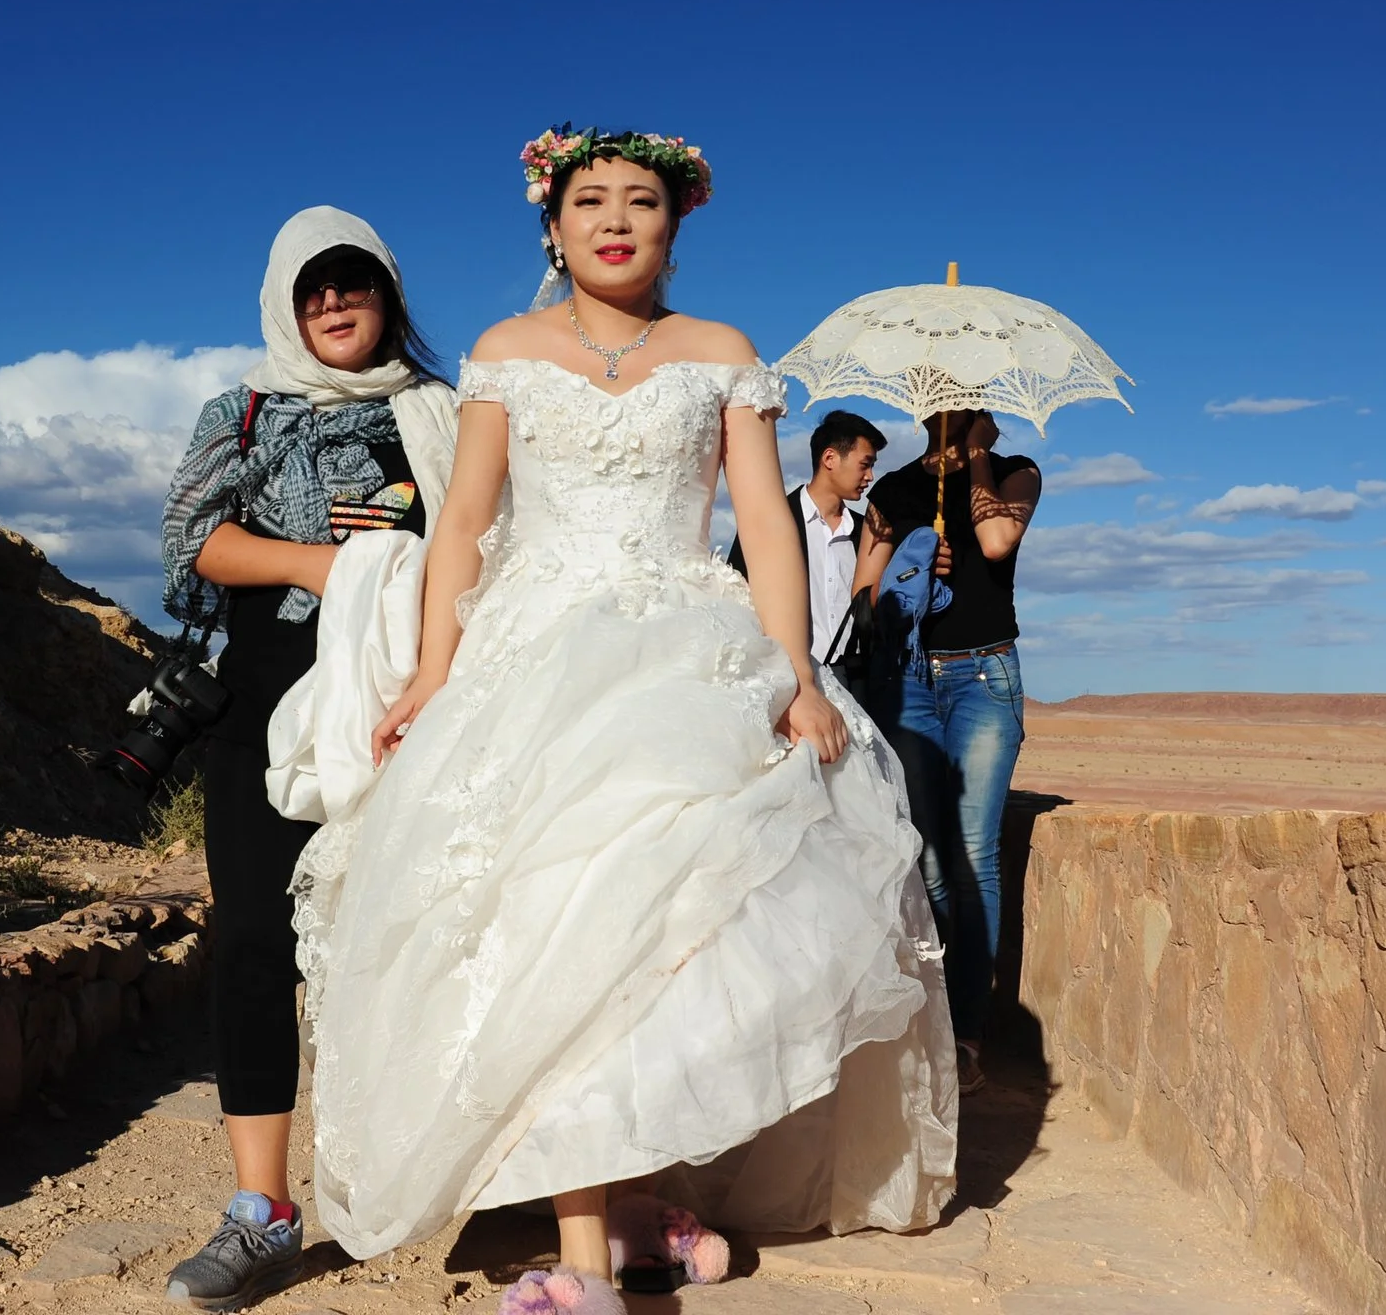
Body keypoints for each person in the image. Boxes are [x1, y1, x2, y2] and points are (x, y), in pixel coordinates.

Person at [292, 127, 957, 1311]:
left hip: (682, 649)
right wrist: (432, 669)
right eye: (588, 198)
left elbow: (760, 526)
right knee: (542, 920)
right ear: (551, 225)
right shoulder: (505, 352)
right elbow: (462, 527)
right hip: (530, 655)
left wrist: (797, 673)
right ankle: (591, 1248)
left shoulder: (719, 353)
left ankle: (630, 1214)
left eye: (640, 201)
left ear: (675, 224)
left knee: (656, 941)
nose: (614, 217)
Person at [155, 206, 457, 1312]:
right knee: (248, 942)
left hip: (408, 704)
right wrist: (326, 564)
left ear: (387, 296)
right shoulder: (242, 411)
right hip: (263, 703)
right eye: (312, 288)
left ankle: (436, 1171)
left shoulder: (443, 412)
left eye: (354, 283)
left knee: (421, 936)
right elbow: (191, 542)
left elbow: (488, 542)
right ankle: (261, 1210)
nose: (333, 302)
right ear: (286, 302)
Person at [855, 407, 1039, 1095]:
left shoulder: (1018, 475)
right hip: (910, 679)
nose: (955, 406)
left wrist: (980, 458)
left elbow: (995, 540)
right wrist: (910, 564)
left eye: (972, 398)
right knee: (926, 859)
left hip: (985, 678)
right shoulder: (895, 492)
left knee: (974, 856)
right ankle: (926, 1021)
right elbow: (863, 596)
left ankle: (965, 1036)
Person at [724, 409, 886, 669]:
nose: (870, 476)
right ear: (830, 458)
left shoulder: (865, 531)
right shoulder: (774, 521)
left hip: (858, 676)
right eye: (865, 464)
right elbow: (737, 592)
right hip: (789, 672)